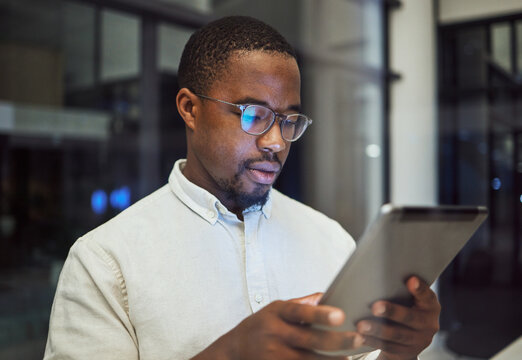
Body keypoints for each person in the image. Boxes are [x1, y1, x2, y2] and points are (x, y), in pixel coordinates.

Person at [44, 16, 440, 360]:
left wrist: (398, 351)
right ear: (190, 109)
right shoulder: (104, 262)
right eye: (254, 114)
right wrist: (231, 353)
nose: (276, 143)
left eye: (289, 120)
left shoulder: (331, 240)